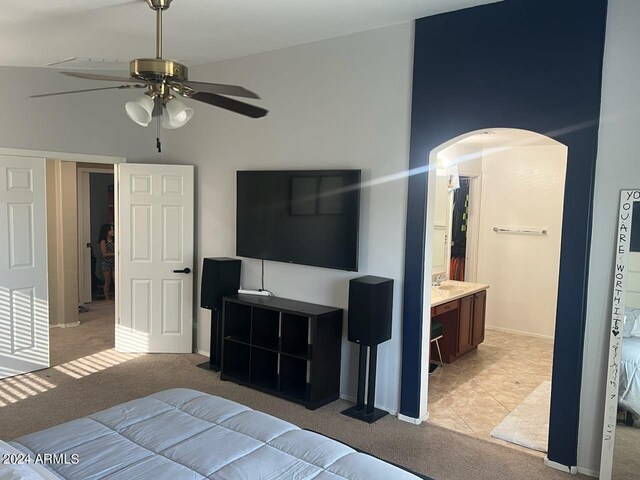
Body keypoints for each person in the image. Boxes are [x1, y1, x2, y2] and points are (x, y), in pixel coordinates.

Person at [98, 224, 115, 301]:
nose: (113, 231)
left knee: (116, 280)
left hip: (115, 263)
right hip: (106, 263)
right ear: (106, 231)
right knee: (107, 281)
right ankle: (107, 298)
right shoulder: (103, 241)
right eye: (111, 230)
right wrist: (116, 253)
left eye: (113, 229)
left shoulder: (115, 240)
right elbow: (104, 254)